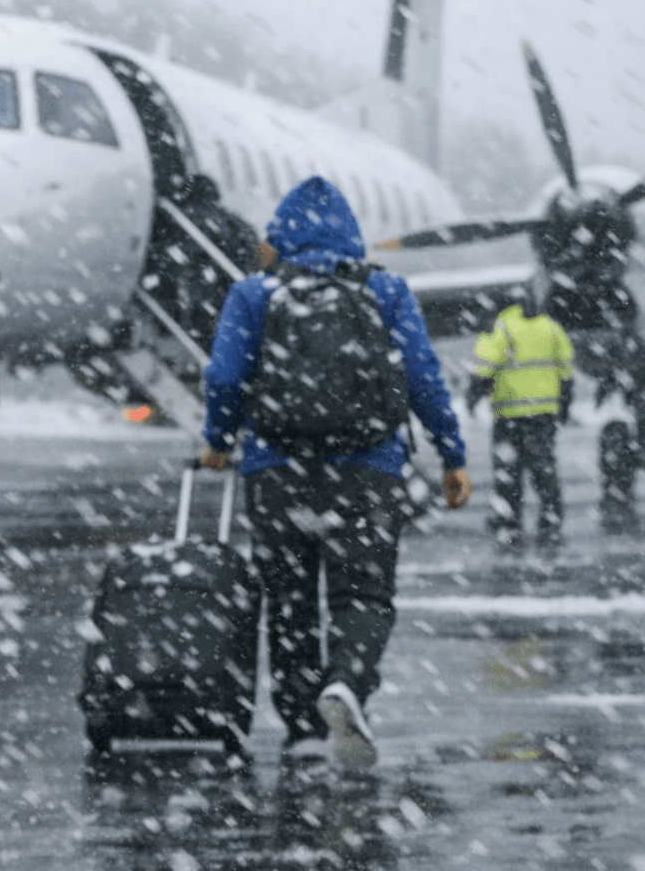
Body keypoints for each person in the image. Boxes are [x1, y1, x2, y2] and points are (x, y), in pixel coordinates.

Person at [199, 176, 471, 770]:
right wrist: (451, 454)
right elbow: (423, 376)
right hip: (368, 468)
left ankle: (301, 729)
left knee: (290, 601)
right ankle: (346, 683)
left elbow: (224, 378)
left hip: (277, 470)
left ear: (281, 238)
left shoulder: (254, 294)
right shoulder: (385, 290)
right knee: (364, 595)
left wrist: (217, 442)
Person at [466, 295, 576, 554]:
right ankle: (550, 523)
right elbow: (566, 369)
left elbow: (484, 366)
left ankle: (509, 524)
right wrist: (564, 404)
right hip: (543, 415)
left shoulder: (502, 328)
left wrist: (473, 395)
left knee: (508, 473)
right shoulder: (551, 327)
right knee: (544, 471)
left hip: (510, 416)